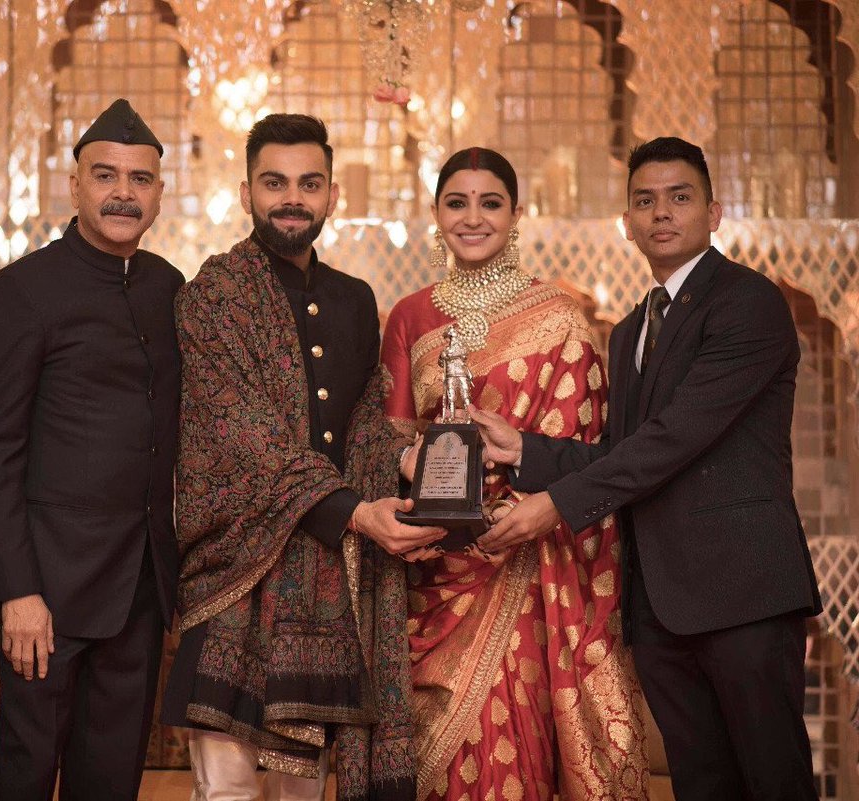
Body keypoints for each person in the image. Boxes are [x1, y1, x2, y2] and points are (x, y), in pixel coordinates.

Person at [473, 137, 821, 800]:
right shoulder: (634, 328)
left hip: (745, 595)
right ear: (628, 222)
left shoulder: (749, 304)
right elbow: (623, 450)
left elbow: (671, 441)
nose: (661, 212)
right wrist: (524, 451)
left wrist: (556, 505)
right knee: (701, 784)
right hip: (662, 606)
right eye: (645, 200)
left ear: (715, 213)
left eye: (679, 197)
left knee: (773, 781)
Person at [160, 113, 443, 801]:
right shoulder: (214, 293)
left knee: (303, 791)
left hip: (325, 586)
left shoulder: (353, 300)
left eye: (309, 184)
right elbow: (239, 429)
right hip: (234, 576)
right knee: (227, 791)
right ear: (246, 192)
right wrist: (356, 512)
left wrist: (411, 465)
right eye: (275, 182)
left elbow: (366, 424)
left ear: (332, 195)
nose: (293, 197)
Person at [380, 147, 648, 800]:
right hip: (433, 571)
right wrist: (408, 461)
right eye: (457, 202)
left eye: (490, 202)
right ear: (436, 213)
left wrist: (525, 510)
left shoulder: (562, 321)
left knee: (513, 762)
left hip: (529, 576)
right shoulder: (409, 316)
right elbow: (385, 439)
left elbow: (594, 462)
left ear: (516, 214)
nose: (473, 218)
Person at [0, 98, 183, 801]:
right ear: (75, 186)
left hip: (141, 588)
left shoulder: (168, 289)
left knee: (113, 780)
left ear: (159, 192)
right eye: (106, 175)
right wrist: (16, 591)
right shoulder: (23, 290)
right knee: (27, 774)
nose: (124, 192)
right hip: (48, 592)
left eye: (140, 179)